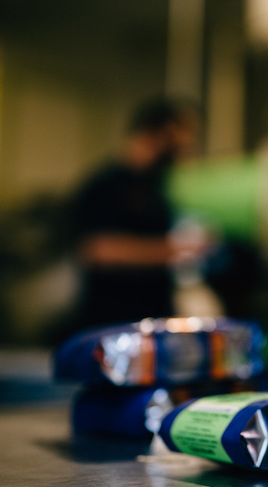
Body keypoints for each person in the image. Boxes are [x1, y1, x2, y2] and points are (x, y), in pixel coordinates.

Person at [68, 98, 208, 330]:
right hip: (112, 324)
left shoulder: (157, 186)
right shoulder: (106, 184)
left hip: (151, 320)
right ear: (162, 131)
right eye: (184, 132)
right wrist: (174, 250)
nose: (188, 143)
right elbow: (98, 250)